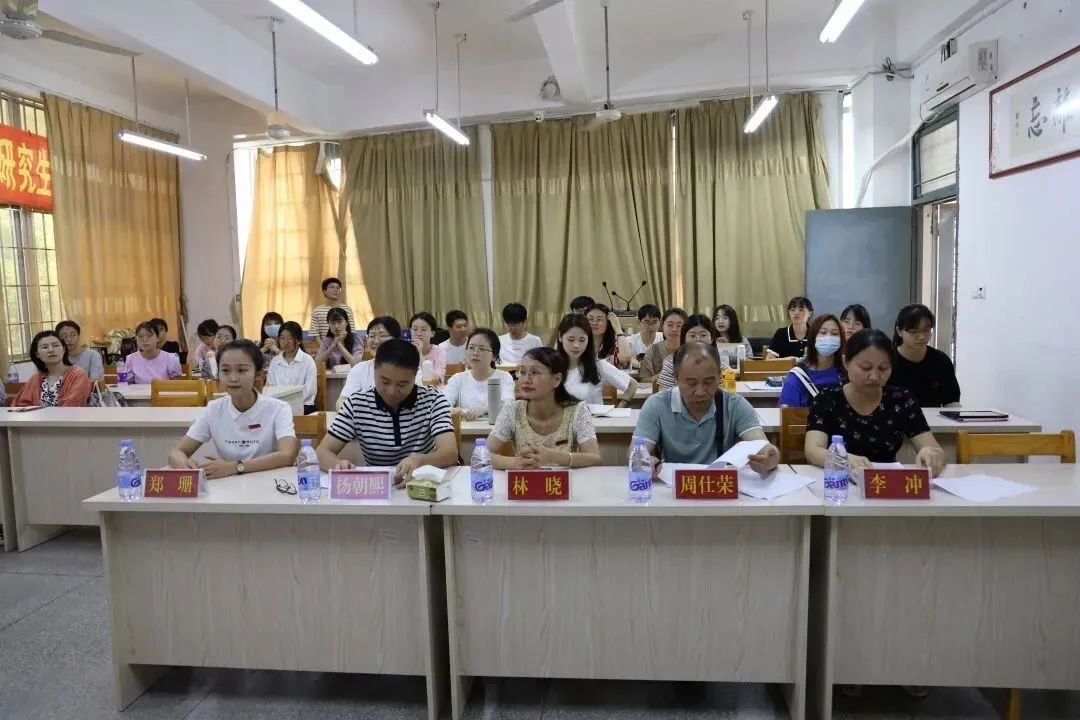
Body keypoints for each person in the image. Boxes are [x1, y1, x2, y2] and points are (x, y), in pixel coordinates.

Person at [805, 329, 946, 475]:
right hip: (839, 481)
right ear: (846, 362)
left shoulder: (901, 399)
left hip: (887, 482)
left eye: (883, 368)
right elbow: (813, 450)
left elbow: (935, 449)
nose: (874, 376)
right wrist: (844, 459)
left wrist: (931, 454)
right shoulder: (827, 398)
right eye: (865, 368)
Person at [317, 339, 458, 484]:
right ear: (374, 370)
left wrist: (420, 461)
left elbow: (450, 453)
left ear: (415, 374)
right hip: (377, 487)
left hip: (422, 485)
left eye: (402, 384)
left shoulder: (433, 400)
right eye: (385, 382)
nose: (391, 392)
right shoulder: (357, 404)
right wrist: (337, 465)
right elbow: (322, 452)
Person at [634, 342, 780, 472]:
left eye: (708, 382)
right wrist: (645, 461)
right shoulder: (657, 405)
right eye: (691, 383)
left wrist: (770, 458)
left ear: (719, 376)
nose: (700, 392)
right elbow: (636, 452)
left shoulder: (734, 405)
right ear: (676, 378)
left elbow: (762, 446)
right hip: (674, 486)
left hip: (719, 485)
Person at [168, 340, 299, 479]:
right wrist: (186, 466)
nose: (233, 378)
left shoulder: (279, 408)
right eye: (225, 370)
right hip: (228, 485)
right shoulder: (214, 409)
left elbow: (288, 455)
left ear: (258, 374)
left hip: (270, 483)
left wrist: (236, 467)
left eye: (242, 370)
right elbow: (176, 453)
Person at [487, 347, 602, 470]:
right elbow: (481, 455)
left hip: (562, 481)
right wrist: (514, 463)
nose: (526, 380)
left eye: (534, 372)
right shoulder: (513, 410)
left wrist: (553, 457)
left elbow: (595, 458)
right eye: (523, 372)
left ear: (556, 379)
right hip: (526, 480)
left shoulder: (577, 410)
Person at [556, 314, 638, 407]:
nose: (576, 345)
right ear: (560, 337)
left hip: (592, 416)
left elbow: (632, 385)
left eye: (582, 340)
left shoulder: (598, 366)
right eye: (571, 339)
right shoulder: (551, 366)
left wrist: (620, 407)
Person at [890, 304, 961, 408]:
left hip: (933, 418)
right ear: (899, 331)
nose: (921, 337)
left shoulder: (941, 361)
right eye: (913, 331)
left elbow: (951, 401)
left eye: (926, 330)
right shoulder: (887, 360)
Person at [442, 328, 514, 420]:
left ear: (494, 356)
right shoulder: (458, 379)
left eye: (482, 349)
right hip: (466, 428)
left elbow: (509, 405)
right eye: (471, 348)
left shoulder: (504, 377)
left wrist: (484, 408)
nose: (475, 353)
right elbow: (442, 405)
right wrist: (458, 411)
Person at [778, 314, 845, 408]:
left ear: (841, 339)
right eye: (823, 332)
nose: (828, 337)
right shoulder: (797, 376)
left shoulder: (847, 372)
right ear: (813, 338)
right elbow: (787, 414)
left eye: (834, 334)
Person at [13, 330, 93, 407]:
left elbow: (72, 407)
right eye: (45, 347)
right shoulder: (35, 379)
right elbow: (19, 406)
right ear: (37, 354)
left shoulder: (77, 374)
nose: (51, 350)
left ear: (64, 349)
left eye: (56, 345)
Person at [656, 314, 723, 391]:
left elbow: (726, 396)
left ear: (712, 339)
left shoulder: (721, 367)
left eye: (703, 335)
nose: (698, 339)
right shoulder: (671, 366)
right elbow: (663, 396)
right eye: (692, 336)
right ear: (684, 340)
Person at [267, 321, 318, 414]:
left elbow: (309, 391)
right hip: (279, 407)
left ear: (298, 340)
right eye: (282, 338)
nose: (285, 342)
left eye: (290, 338)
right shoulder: (274, 362)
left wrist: (291, 404)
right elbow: (270, 388)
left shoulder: (308, 361)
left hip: (303, 406)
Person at [639, 307, 687, 383]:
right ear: (663, 325)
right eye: (670, 325)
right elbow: (644, 380)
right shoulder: (653, 350)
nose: (674, 329)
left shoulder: (690, 350)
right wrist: (666, 373)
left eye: (679, 325)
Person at [584, 303, 632, 369]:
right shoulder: (580, 342)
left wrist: (618, 329)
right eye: (590, 319)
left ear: (608, 322)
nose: (594, 323)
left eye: (599, 319)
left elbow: (625, 357)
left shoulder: (616, 343)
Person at [409, 311, 447, 381]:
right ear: (410, 331)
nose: (418, 333)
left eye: (423, 330)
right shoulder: (405, 352)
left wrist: (420, 353)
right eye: (415, 329)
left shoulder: (440, 352)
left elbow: (435, 380)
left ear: (432, 333)